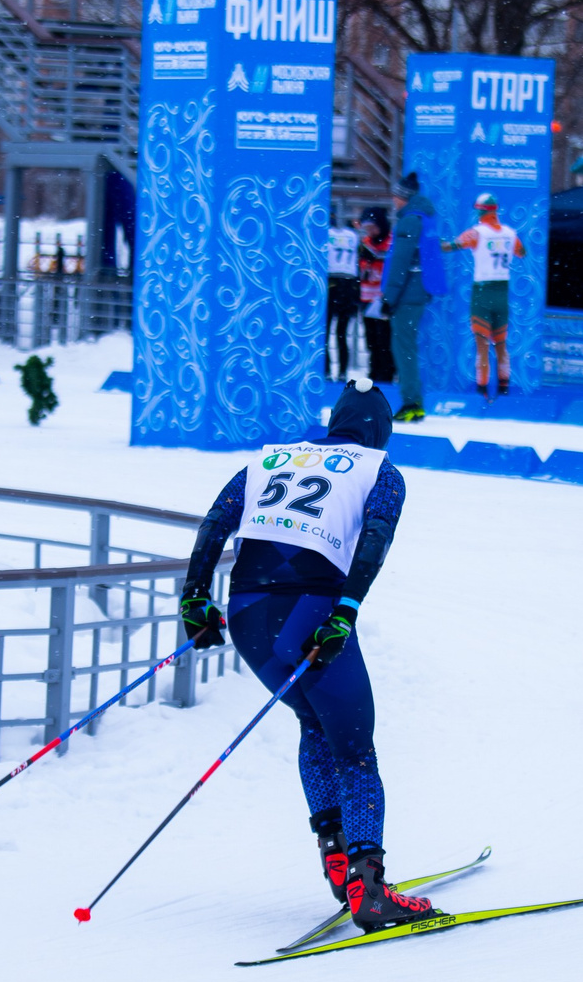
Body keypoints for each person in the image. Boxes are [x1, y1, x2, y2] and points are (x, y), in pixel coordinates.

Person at [175, 380, 438, 932]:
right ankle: (370, 889)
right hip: (312, 612)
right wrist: (345, 610)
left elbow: (213, 526)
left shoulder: (270, 459)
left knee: (314, 724)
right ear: (380, 431)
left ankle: (337, 855)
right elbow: (375, 542)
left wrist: (194, 598)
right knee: (354, 748)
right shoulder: (380, 470)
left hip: (248, 615)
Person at [446, 191, 526, 396]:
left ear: (480, 212)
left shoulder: (476, 232)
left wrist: (430, 243)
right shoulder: (510, 233)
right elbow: (522, 252)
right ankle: (504, 389)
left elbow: (450, 246)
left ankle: (482, 390)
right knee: (501, 345)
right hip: (502, 292)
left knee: (482, 346)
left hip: (482, 292)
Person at [378, 173, 438, 422]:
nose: (393, 200)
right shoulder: (423, 219)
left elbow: (400, 263)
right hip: (417, 292)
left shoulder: (409, 222)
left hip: (407, 295)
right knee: (407, 347)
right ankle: (413, 402)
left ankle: (412, 403)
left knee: (404, 348)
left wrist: (388, 297)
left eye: (395, 195)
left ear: (403, 197)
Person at [356, 208, 395, 385]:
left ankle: (387, 372)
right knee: (371, 340)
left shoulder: (392, 243)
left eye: (373, 227)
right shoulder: (365, 243)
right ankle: (374, 371)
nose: (370, 232)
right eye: (366, 228)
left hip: (384, 298)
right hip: (366, 297)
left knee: (384, 339)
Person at [325, 213, 363, 379]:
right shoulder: (353, 236)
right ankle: (338, 371)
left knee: (330, 332)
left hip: (336, 283)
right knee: (339, 332)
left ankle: (330, 370)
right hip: (346, 284)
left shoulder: (328, 234)